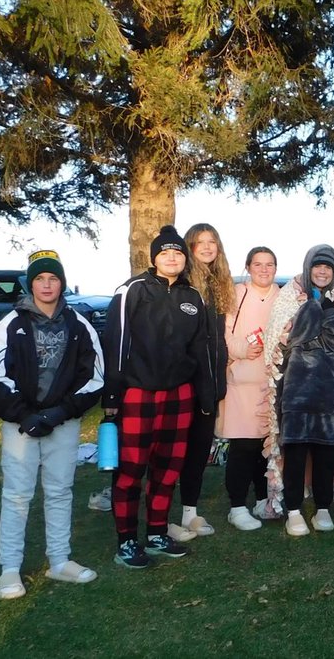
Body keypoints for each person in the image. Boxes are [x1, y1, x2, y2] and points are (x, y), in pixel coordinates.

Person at [0, 250, 105, 598]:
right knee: (17, 496)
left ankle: (59, 560)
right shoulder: (11, 324)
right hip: (21, 425)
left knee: (59, 492)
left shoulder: (78, 324)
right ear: (31, 283)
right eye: (40, 278)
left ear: (62, 283)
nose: (47, 284)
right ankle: (9, 569)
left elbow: (95, 377)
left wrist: (60, 412)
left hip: (62, 423)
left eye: (53, 278)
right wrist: (24, 415)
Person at [102, 225, 214, 569]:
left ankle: (155, 533)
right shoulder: (131, 290)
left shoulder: (193, 297)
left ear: (184, 258)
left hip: (179, 395)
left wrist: (206, 395)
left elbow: (202, 350)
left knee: (167, 470)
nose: (171, 257)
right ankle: (126, 541)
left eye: (178, 253)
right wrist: (112, 395)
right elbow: (116, 343)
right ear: (154, 258)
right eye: (165, 252)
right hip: (138, 392)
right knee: (131, 471)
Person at [263, 245, 334, 537]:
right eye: (318, 267)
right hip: (295, 389)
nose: (322, 272)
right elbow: (283, 338)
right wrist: (312, 309)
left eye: (328, 268)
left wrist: (330, 316)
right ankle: (293, 510)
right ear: (309, 268)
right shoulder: (290, 295)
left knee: (325, 453)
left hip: (329, 391)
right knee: (294, 450)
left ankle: (322, 507)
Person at [170, 223, 233, 540]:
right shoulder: (182, 287)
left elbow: (218, 341)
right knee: (173, 454)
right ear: (189, 248)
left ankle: (190, 513)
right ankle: (163, 517)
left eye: (213, 241)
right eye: (200, 242)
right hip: (184, 385)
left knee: (198, 452)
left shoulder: (218, 285)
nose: (207, 247)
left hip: (211, 385)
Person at [221, 247, 281, 531]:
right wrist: (243, 349)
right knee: (242, 445)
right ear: (248, 267)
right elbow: (224, 334)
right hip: (241, 381)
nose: (264, 269)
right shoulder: (236, 294)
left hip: (272, 384)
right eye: (258, 264)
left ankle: (261, 499)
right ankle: (237, 506)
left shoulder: (282, 297)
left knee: (265, 447)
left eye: (270, 264)